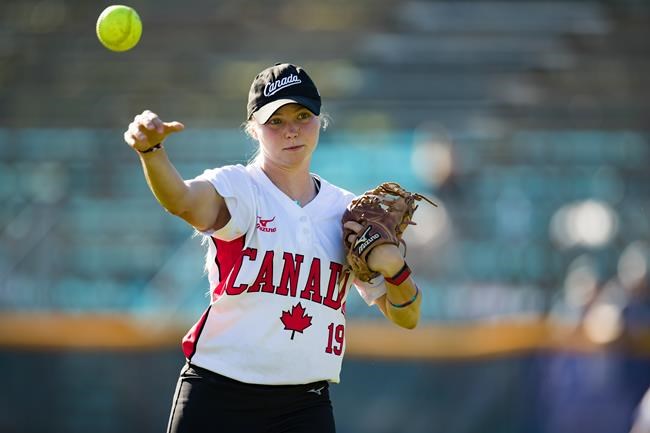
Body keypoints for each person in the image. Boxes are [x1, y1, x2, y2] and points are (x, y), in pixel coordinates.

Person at [123, 63, 423, 433]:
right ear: (253, 128)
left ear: (320, 119)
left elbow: (406, 317)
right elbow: (181, 200)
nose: (292, 129)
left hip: (304, 406)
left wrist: (396, 270)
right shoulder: (240, 188)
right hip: (219, 395)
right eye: (275, 120)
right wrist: (152, 152)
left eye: (301, 115)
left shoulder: (346, 214)